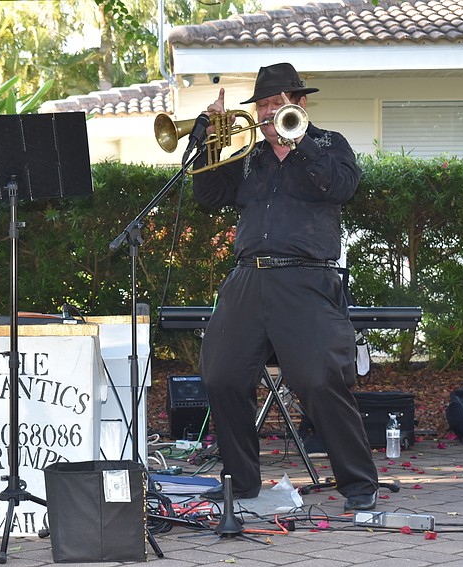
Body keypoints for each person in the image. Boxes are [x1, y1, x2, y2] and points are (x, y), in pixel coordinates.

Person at [191, 62, 379, 511]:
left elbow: (342, 186)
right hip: (248, 277)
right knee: (221, 376)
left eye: (277, 104)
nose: (268, 112)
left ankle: (358, 482)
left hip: (306, 278)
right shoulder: (250, 157)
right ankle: (243, 481)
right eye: (262, 105)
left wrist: (299, 143)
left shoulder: (330, 144)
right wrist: (207, 142)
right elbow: (208, 197)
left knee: (319, 380)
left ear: (300, 104)